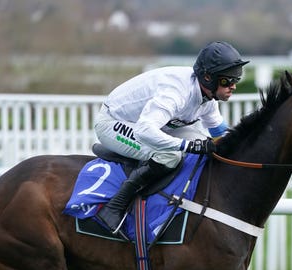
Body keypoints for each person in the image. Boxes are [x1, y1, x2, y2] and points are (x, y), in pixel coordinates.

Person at [94, 41, 249, 232]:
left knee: (204, 144)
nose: (233, 86)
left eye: (236, 81)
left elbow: (220, 135)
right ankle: (116, 206)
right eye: (227, 81)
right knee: (170, 155)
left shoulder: (208, 97)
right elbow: (145, 130)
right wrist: (186, 146)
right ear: (208, 78)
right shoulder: (175, 93)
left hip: (153, 124)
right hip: (114, 123)